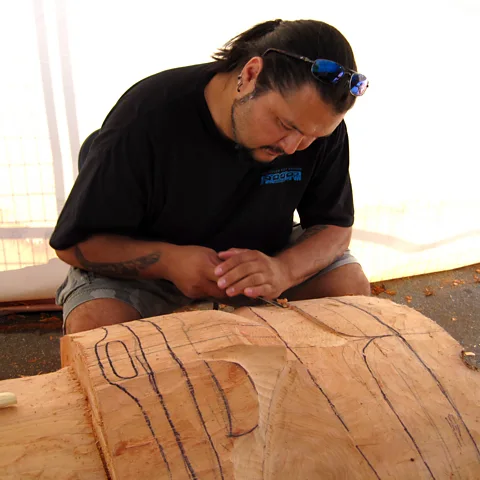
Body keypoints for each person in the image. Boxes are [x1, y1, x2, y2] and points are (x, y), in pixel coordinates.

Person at [49, 19, 371, 334]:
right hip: (153, 262)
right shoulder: (146, 117)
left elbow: (336, 227)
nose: (292, 147)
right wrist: (170, 261)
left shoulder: (316, 125)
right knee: (95, 328)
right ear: (250, 75)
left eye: (312, 136)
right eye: (285, 125)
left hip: (261, 259)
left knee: (350, 292)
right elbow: (74, 244)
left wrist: (282, 270)